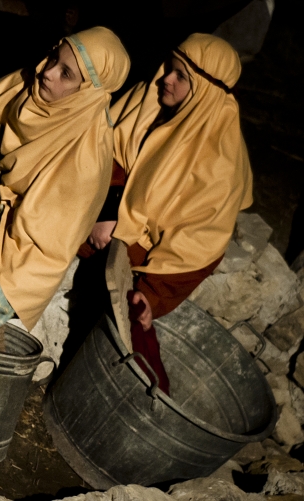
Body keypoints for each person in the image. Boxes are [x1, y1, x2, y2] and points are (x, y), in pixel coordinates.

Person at [86, 33, 253, 393]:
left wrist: (153, 293)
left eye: (180, 77)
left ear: (205, 92)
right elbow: (105, 148)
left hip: (143, 248)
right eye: (169, 69)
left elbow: (198, 244)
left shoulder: (220, 161)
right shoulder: (149, 100)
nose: (166, 79)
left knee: (130, 315)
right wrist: (109, 208)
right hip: (103, 212)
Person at [0, 26, 130, 333]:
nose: (47, 72)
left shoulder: (85, 158)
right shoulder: (18, 87)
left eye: (66, 74)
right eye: (54, 58)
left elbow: (47, 250)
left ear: (87, 92)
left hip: (16, 239)